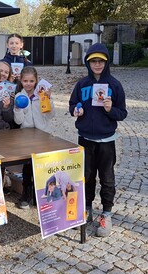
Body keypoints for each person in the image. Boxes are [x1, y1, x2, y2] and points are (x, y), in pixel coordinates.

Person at [69, 43, 127, 237]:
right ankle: (87, 209)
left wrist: (111, 110)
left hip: (107, 141)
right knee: (86, 177)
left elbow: (122, 113)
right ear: (88, 62)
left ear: (106, 62)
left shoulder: (115, 85)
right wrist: (76, 110)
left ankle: (107, 214)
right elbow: (72, 105)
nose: (97, 64)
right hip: (85, 139)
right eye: (93, 61)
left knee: (107, 178)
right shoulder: (82, 84)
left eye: (100, 61)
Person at [13, 66, 55, 209]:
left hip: (43, 134)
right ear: (21, 80)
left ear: (36, 80)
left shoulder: (42, 95)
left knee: (42, 166)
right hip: (27, 136)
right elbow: (18, 121)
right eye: (25, 81)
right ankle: (26, 193)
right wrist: (17, 108)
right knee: (27, 166)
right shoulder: (19, 96)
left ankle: (40, 195)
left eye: (31, 81)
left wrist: (48, 100)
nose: (29, 84)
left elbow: (50, 115)